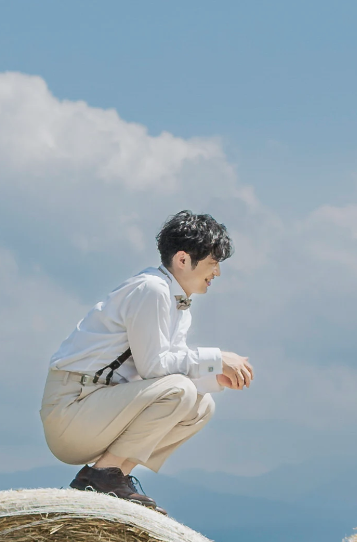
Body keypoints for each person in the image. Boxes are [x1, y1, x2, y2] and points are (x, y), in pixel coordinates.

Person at [41, 211, 254, 514]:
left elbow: (162, 370)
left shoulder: (176, 302)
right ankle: (100, 477)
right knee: (180, 390)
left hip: (100, 406)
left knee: (201, 406)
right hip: (73, 406)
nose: (217, 272)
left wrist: (212, 377)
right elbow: (155, 368)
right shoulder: (151, 290)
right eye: (213, 262)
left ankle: (114, 477)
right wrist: (216, 358)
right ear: (183, 259)